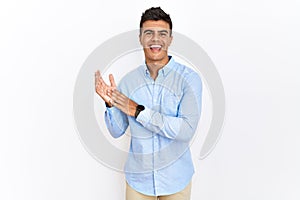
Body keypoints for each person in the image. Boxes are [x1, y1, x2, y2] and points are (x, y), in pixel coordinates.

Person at [95, 7, 202, 200]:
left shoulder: (189, 79)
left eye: (162, 34)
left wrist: (138, 111)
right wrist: (111, 104)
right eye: (149, 33)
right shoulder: (128, 81)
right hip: (138, 182)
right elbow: (116, 130)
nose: (155, 39)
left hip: (176, 180)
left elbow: (185, 130)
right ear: (140, 38)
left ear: (170, 39)